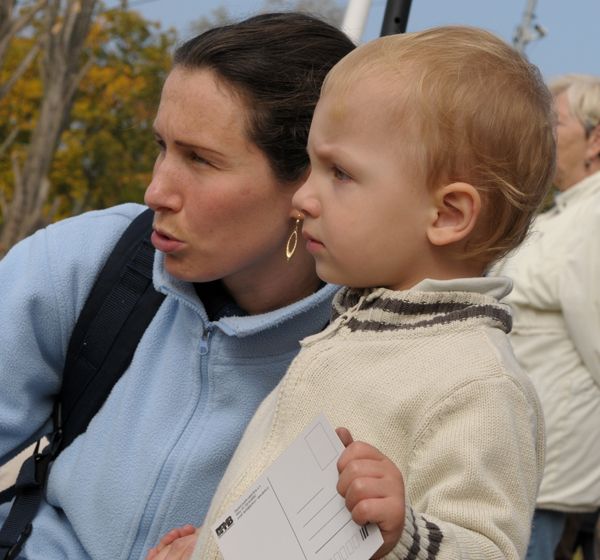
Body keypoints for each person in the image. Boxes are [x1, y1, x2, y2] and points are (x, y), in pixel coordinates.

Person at [150, 25, 555, 560]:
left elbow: (490, 548)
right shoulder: (361, 329)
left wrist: (406, 534)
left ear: (448, 214)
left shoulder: (477, 384)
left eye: (339, 172)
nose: (302, 198)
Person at [0, 12, 355, 560]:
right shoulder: (89, 263)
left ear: (309, 182)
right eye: (162, 145)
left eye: (200, 160)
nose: (156, 190)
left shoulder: (382, 352)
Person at [492, 74, 600, 560]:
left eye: (555, 123)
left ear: (596, 139)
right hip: (511, 454)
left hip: (546, 463)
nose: (544, 135)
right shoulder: (562, 214)